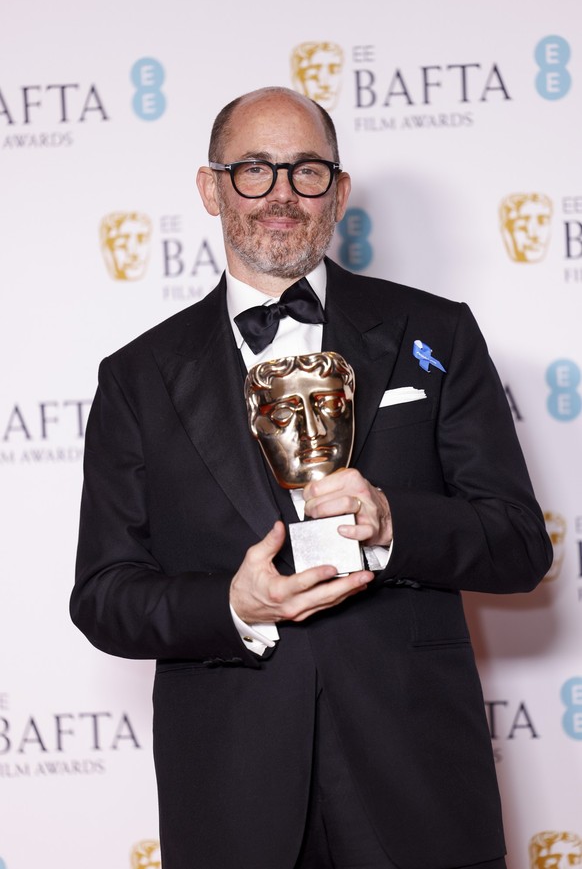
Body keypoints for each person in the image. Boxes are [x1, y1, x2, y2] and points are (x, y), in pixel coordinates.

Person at [71, 86, 552, 869]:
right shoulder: (137, 376)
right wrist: (231, 603)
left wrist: (394, 522)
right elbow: (103, 594)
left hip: (417, 777)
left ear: (340, 190)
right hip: (232, 790)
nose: (282, 195)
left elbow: (519, 544)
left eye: (307, 171)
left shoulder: (438, 331)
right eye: (254, 170)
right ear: (211, 186)